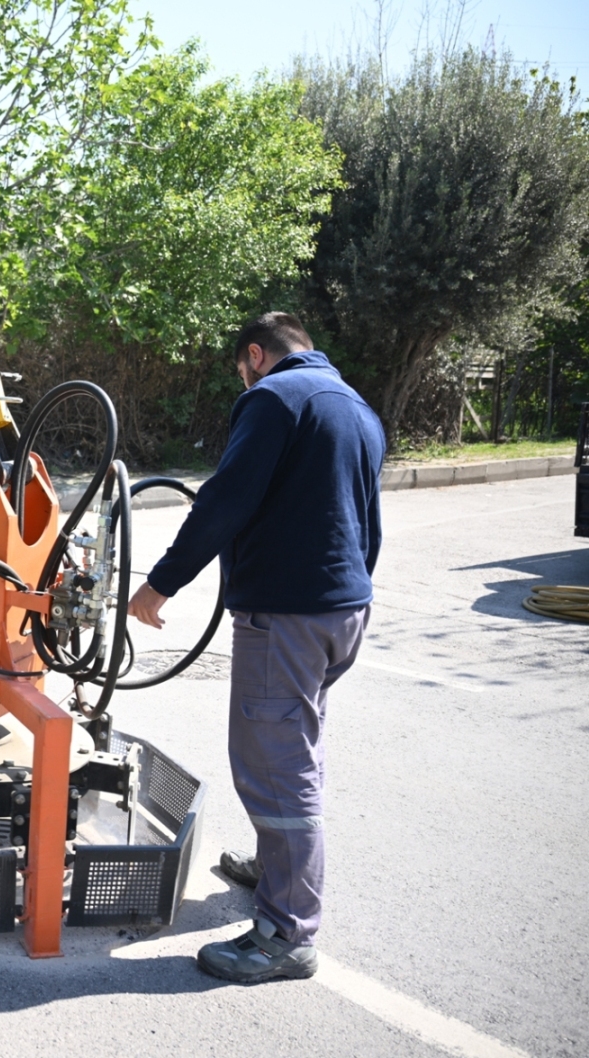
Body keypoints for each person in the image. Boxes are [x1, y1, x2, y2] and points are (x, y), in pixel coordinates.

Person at [126, 312, 385, 984]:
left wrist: (159, 585)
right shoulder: (353, 405)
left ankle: (285, 933)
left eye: (241, 368)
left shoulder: (271, 398)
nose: (242, 380)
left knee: (273, 766)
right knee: (295, 749)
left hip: (288, 615)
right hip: (341, 611)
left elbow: (225, 500)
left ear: (255, 355)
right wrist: (347, 593)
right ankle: (276, 870)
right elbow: (367, 519)